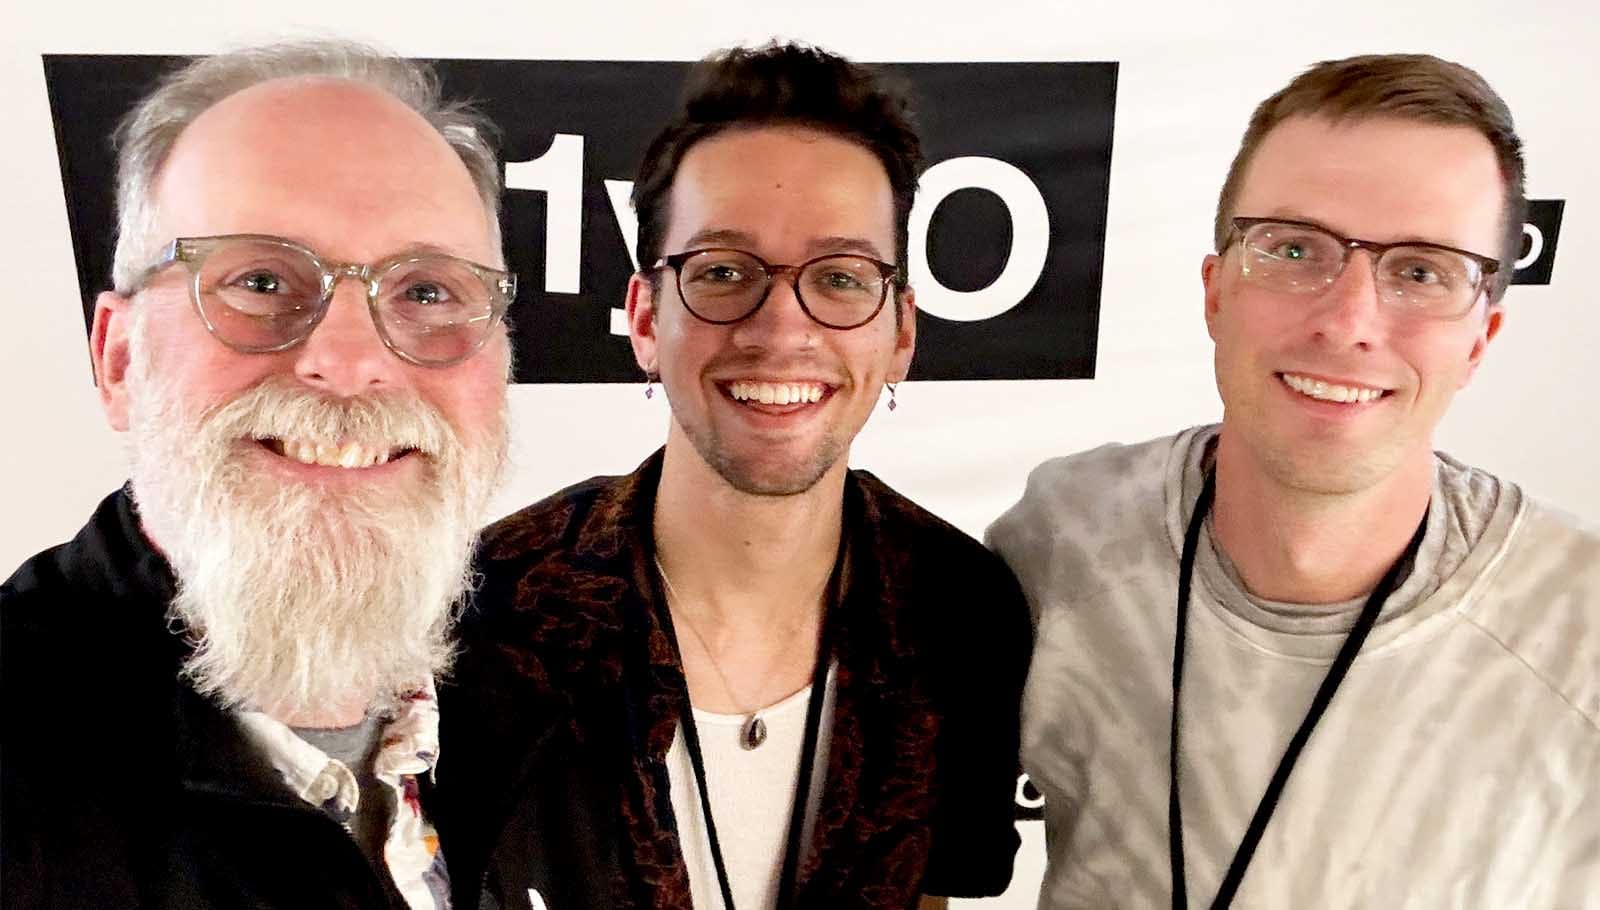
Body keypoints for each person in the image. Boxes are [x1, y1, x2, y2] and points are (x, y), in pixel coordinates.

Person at [989, 53, 1599, 908]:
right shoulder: (1061, 539)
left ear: (1481, 338)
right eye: (1294, 249)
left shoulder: (1581, 631)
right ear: (1213, 293)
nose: (1348, 320)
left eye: (1422, 271)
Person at [433, 41, 1031, 910]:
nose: (782, 328)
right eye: (721, 272)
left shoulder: (962, 608)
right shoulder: (485, 616)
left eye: (840, 277)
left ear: (900, 330)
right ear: (645, 318)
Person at [1, 41, 514, 909]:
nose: (350, 362)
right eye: (261, 279)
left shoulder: (548, 707)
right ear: (121, 359)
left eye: (426, 292)